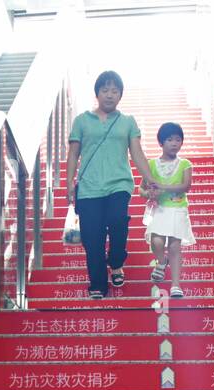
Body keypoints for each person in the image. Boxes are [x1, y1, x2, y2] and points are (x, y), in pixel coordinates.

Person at [65, 71, 153, 300]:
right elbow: (73, 154)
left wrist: (150, 178)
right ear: (97, 93)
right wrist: (68, 183)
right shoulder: (82, 121)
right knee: (92, 237)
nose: (110, 95)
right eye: (105, 90)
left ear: (120, 95)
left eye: (115, 91)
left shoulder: (127, 122)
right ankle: (97, 283)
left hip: (119, 184)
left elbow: (137, 153)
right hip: (88, 187)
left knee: (117, 222)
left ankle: (115, 263)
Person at [143, 123, 195, 299]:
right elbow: (141, 189)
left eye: (178, 139)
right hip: (158, 209)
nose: (174, 143)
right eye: (169, 139)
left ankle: (175, 285)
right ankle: (161, 261)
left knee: (174, 246)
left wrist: (162, 187)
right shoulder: (150, 164)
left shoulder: (185, 164)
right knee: (156, 241)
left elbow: (186, 186)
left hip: (178, 209)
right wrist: (149, 192)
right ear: (161, 143)